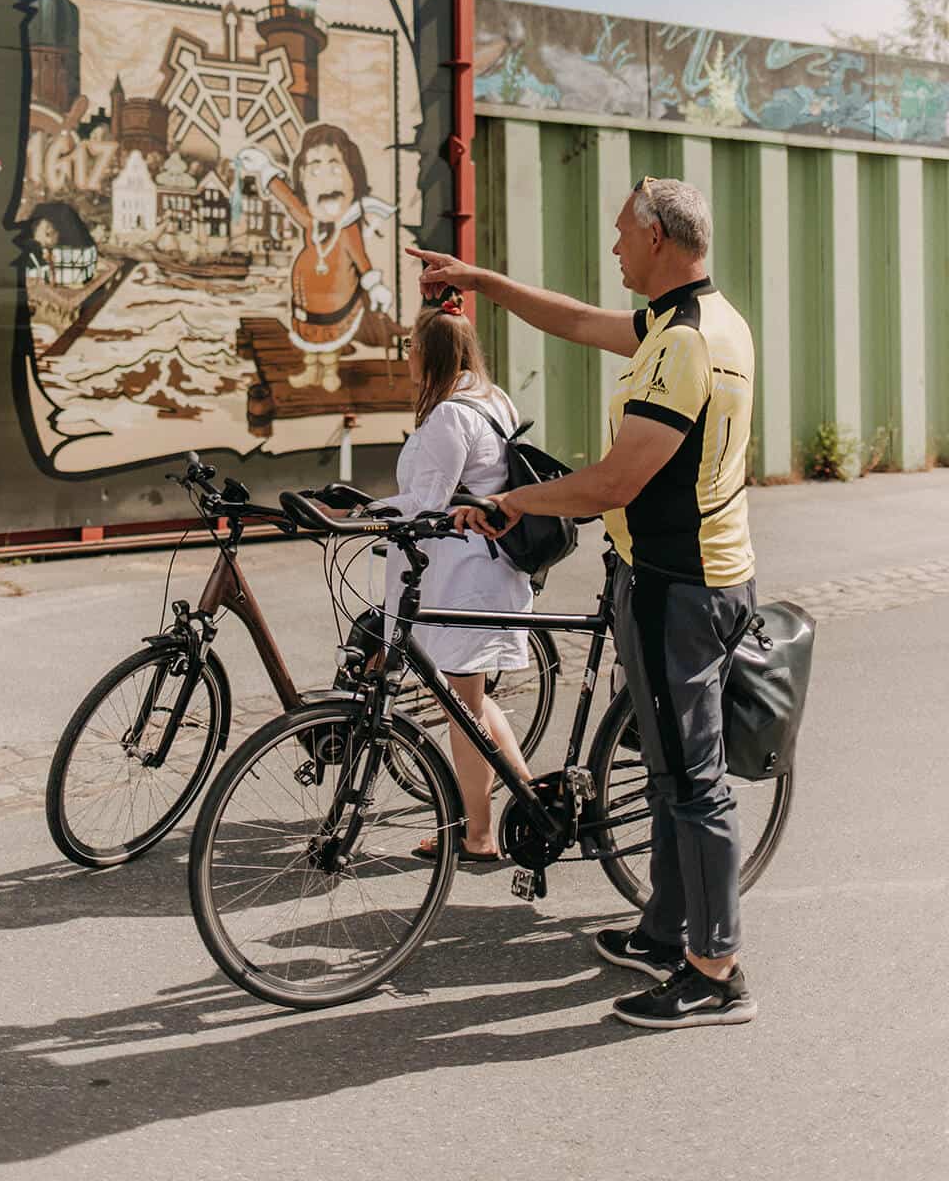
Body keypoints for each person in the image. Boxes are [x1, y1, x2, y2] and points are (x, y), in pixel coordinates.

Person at [410, 175, 759, 1031]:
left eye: (620, 235)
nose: (612, 250)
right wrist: (480, 279)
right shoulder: (693, 320)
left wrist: (514, 502)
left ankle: (715, 973)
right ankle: (664, 930)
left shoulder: (686, 345)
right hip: (672, 575)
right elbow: (570, 319)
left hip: (683, 585)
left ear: (657, 240)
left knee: (692, 782)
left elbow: (617, 479)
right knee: (674, 772)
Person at [371, 293, 535, 860]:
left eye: (411, 349)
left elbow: (427, 502)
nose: (408, 358)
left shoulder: (448, 415)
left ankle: (480, 835)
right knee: (466, 700)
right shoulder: (493, 399)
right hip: (486, 570)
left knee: (462, 710)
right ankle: (532, 799)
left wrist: (364, 514)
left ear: (427, 353)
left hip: (466, 578)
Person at [237, 126, 395, 392]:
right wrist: (265, 169)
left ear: (353, 180)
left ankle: (329, 372)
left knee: (330, 345)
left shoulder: (348, 230)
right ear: (303, 183)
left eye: (335, 169)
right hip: (307, 309)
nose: (325, 182)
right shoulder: (312, 224)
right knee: (310, 345)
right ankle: (311, 371)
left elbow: (362, 261)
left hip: (336, 309)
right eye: (314, 170)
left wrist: (375, 286)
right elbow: (289, 202)